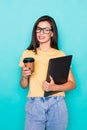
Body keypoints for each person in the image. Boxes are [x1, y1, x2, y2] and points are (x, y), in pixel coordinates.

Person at [19, 15, 76, 130]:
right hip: (34, 104)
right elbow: (23, 85)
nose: (41, 33)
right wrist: (24, 77)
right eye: (39, 29)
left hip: (57, 104)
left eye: (46, 30)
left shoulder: (60, 55)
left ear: (52, 33)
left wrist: (54, 87)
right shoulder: (27, 54)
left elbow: (72, 84)